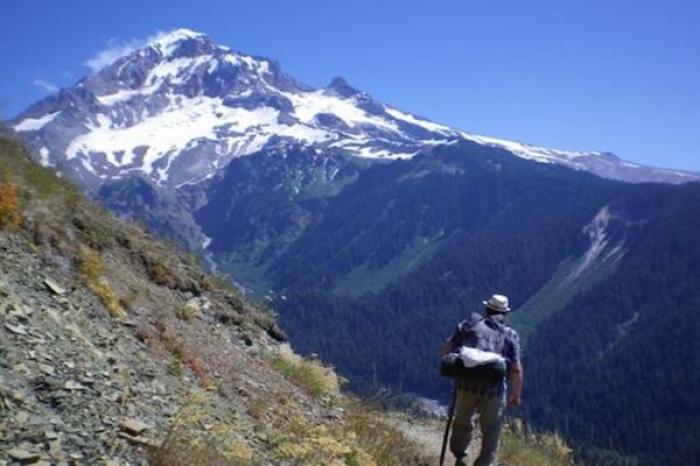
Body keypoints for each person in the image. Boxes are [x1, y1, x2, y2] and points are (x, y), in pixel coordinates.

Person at [442, 294, 523, 466]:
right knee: (491, 429)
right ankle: (484, 463)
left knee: (463, 420)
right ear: (505, 314)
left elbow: (447, 349)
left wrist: (457, 368)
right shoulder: (510, 335)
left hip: (465, 386)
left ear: (486, 309)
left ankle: (460, 456)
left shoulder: (467, 325)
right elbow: (516, 368)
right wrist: (515, 394)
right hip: (494, 390)